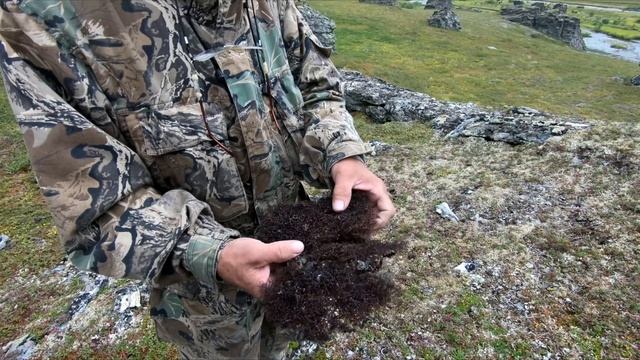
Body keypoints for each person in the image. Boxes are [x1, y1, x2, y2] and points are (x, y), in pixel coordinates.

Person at [0, 0, 395, 358]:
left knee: (278, 346)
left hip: (298, 255)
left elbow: (316, 85)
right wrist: (211, 252)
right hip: (202, 302)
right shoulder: (37, 17)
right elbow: (94, 203)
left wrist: (342, 154)